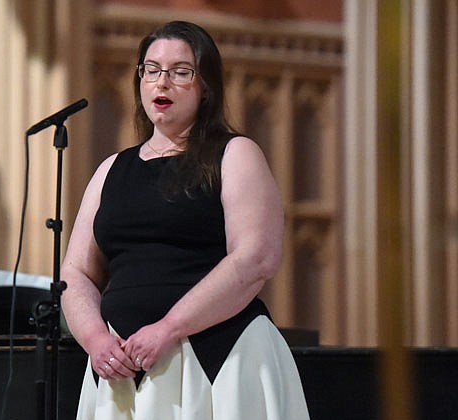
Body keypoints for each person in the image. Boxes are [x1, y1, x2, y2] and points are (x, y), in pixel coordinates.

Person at [60, 21, 310, 419]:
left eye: (181, 72)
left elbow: (255, 258)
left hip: (219, 357)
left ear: (206, 86)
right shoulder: (112, 169)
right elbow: (75, 273)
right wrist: (94, 340)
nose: (163, 83)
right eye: (152, 70)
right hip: (122, 368)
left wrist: (169, 328)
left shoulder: (235, 154)